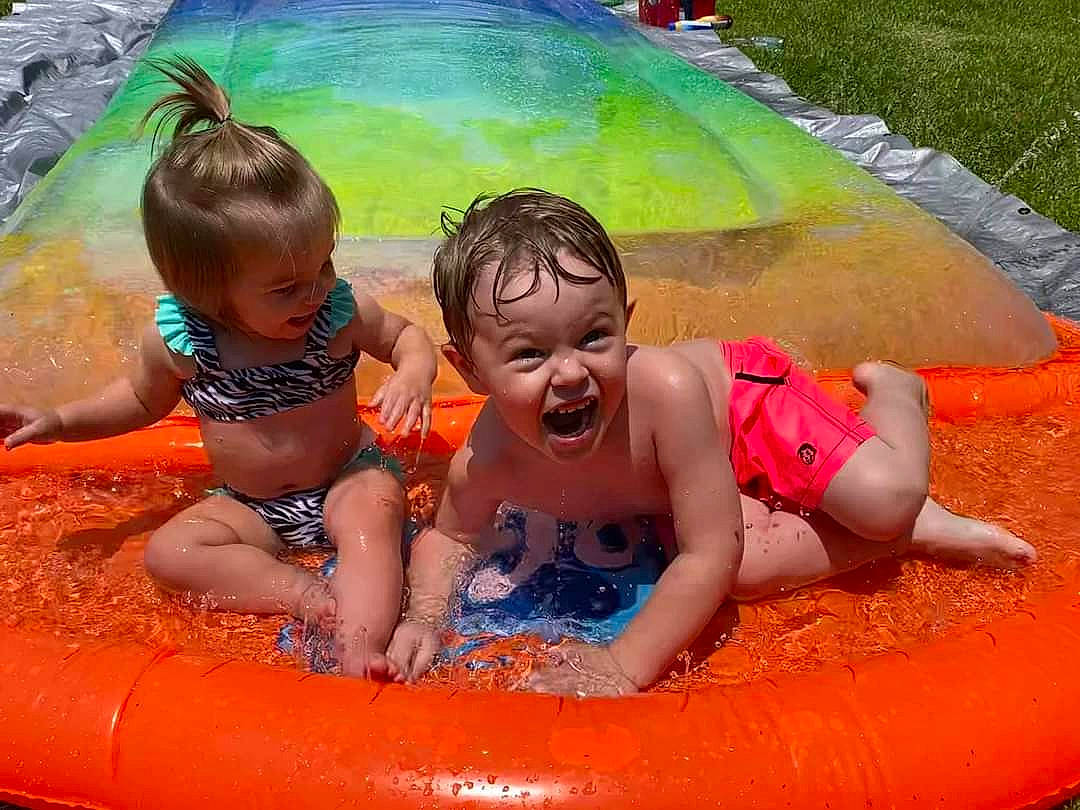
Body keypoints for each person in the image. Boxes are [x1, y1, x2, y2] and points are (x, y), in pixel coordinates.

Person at [385, 188, 1036, 695]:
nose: (572, 372)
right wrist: (424, 619)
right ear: (469, 369)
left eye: (594, 337)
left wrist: (622, 665)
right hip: (691, 477)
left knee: (885, 499)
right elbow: (451, 536)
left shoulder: (664, 389)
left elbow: (706, 553)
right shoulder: (489, 457)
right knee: (748, 568)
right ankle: (900, 531)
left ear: (627, 323)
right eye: (529, 354)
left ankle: (896, 401)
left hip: (742, 406)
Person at [0, 57, 437, 678]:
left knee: (376, 511)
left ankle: (360, 650)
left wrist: (413, 371)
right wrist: (59, 419)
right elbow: (137, 401)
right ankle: (304, 598)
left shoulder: (337, 315)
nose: (314, 291)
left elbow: (407, 336)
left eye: (323, 265)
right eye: (286, 288)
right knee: (172, 553)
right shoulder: (184, 341)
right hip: (251, 507)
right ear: (207, 294)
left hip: (345, 477)